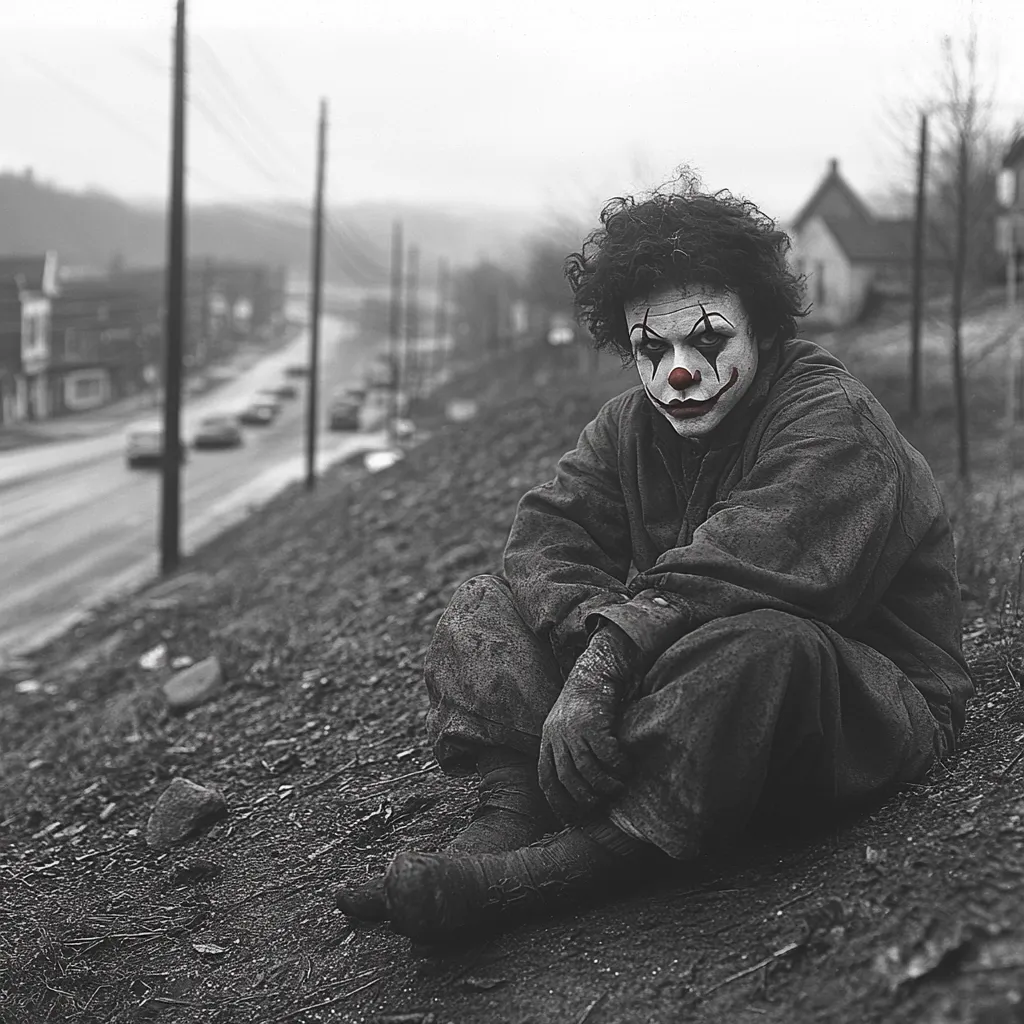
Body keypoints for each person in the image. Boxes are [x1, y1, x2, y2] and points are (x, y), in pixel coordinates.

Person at [335, 177, 973, 942]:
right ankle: (513, 813)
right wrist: (587, 647)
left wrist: (605, 664)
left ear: (762, 329)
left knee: (759, 645)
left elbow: (752, 563)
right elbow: (547, 536)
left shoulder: (834, 420)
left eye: (707, 341)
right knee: (484, 604)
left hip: (855, 699)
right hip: (672, 666)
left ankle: (539, 876)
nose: (678, 371)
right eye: (652, 347)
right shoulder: (628, 428)